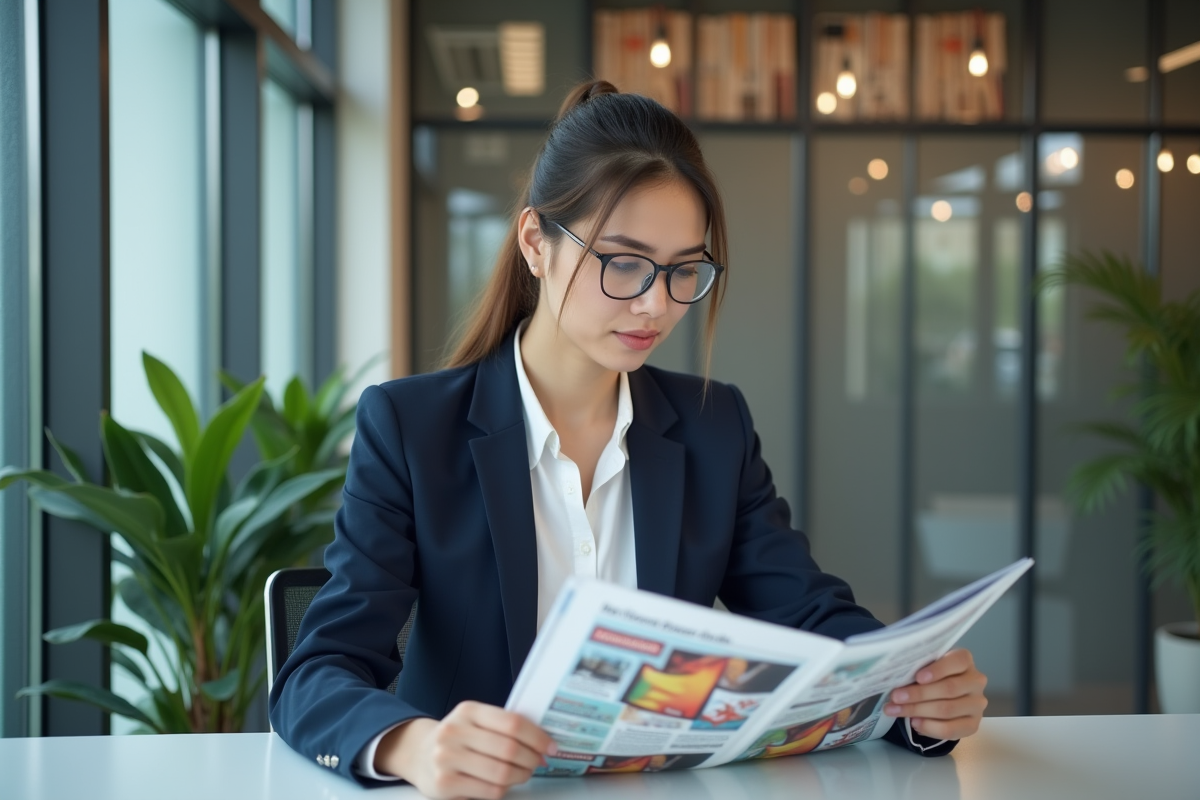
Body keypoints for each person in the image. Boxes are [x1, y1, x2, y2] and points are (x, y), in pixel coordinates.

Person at [268, 81, 988, 798]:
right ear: (535, 244)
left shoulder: (713, 427)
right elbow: (318, 671)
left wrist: (917, 695)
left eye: (683, 271)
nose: (656, 303)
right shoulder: (412, 428)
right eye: (623, 262)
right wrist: (414, 746)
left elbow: (808, 615)